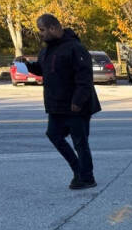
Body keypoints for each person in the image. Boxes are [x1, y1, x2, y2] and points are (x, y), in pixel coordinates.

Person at [24, 14, 101, 190]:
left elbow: (85, 77)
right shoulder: (46, 50)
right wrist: (27, 65)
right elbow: (43, 69)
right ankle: (78, 170)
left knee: (80, 142)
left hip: (75, 106)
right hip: (56, 105)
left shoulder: (74, 47)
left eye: (42, 30)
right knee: (53, 135)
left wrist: (78, 101)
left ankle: (87, 177)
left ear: (53, 28)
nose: (40, 34)